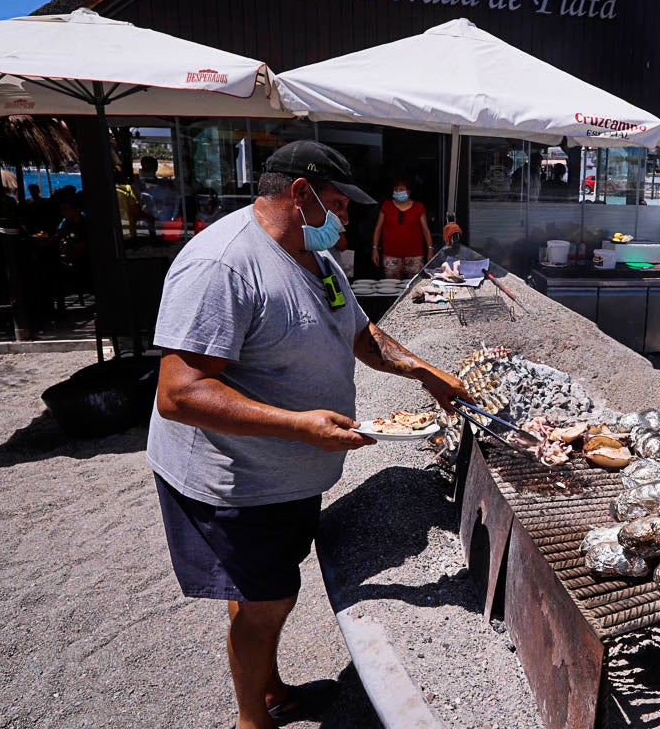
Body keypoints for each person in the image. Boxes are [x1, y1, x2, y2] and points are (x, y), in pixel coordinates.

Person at [147, 140, 468, 729]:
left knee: (265, 594)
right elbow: (180, 393)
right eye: (341, 205)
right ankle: (253, 719)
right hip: (236, 480)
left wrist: (427, 373)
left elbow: (360, 333)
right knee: (267, 602)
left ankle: (268, 688)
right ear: (301, 194)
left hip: (287, 473)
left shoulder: (314, 258)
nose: (348, 218)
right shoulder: (222, 264)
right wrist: (298, 425)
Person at [370, 178, 433, 279]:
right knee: (391, 288)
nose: (398, 191)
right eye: (396, 189)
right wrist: (375, 249)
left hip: (415, 256)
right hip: (391, 256)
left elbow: (426, 230)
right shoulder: (386, 206)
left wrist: (430, 249)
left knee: (413, 288)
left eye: (401, 189)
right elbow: (378, 228)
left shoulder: (418, 207)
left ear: (408, 191)